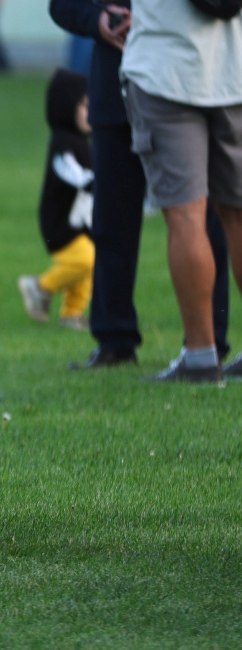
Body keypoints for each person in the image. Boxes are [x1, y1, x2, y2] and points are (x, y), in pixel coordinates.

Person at [49, 0, 233, 372]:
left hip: (186, 84)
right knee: (112, 222)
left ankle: (207, 342)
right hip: (120, 92)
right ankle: (115, 339)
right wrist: (100, 20)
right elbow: (62, 5)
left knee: (202, 218)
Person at [120, 0, 242, 382]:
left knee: (187, 217)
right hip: (235, 72)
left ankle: (201, 357)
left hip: (166, 71)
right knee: (238, 215)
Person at [18, 68, 95, 331]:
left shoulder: (83, 141)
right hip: (59, 222)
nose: (91, 111)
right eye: (85, 105)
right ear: (66, 107)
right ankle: (40, 288)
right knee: (86, 259)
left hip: (80, 221)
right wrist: (93, 181)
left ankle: (73, 314)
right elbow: (68, 171)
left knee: (88, 267)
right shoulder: (64, 142)